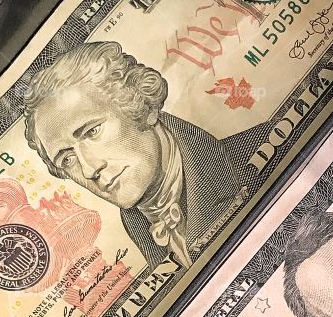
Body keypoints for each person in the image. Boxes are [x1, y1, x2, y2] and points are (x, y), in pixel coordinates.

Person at [23, 41, 260, 270]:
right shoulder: (142, 240)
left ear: (141, 106)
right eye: (67, 159)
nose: (88, 169)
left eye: (92, 131)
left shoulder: (261, 151)